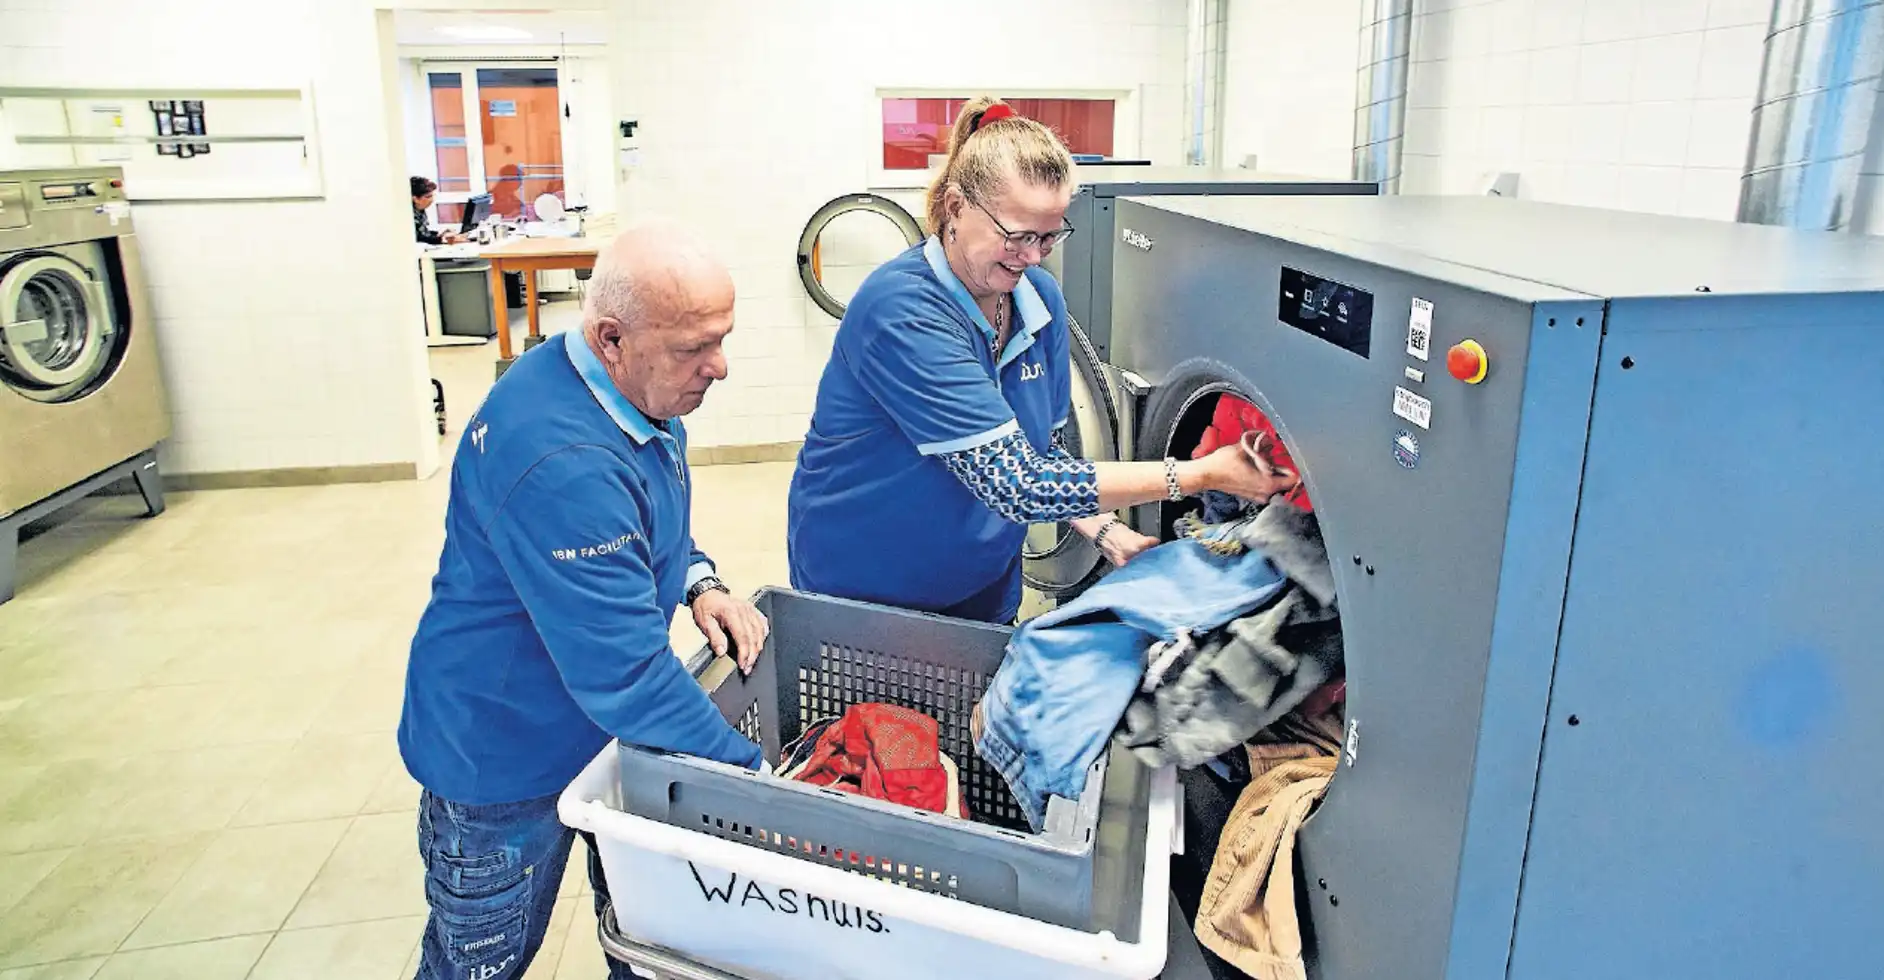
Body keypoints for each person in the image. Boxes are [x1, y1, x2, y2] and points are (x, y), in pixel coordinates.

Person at [398, 224, 768, 980]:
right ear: (612, 338)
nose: (719, 366)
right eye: (694, 348)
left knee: (644, 935)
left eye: (722, 339)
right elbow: (630, 678)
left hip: (598, 729)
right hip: (504, 755)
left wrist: (698, 579)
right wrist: (760, 780)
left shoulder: (620, 385)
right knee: (483, 962)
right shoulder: (561, 458)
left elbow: (645, 511)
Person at [787, 97, 1299, 625]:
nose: (1033, 256)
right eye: (1017, 236)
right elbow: (1016, 483)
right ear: (957, 207)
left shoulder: (1039, 298)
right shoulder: (902, 310)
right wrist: (1200, 474)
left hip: (982, 579)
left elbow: (1043, 452)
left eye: (1050, 235)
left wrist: (1103, 529)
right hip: (869, 584)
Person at [411, 176, 467, 245]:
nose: (432, 200)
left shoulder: (420, 210)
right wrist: (442, 239)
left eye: (432, 196)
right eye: (428, 197)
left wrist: (440, 234)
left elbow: (424, 233)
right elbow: (418, 237)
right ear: (415, 199)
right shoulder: (410, 215)